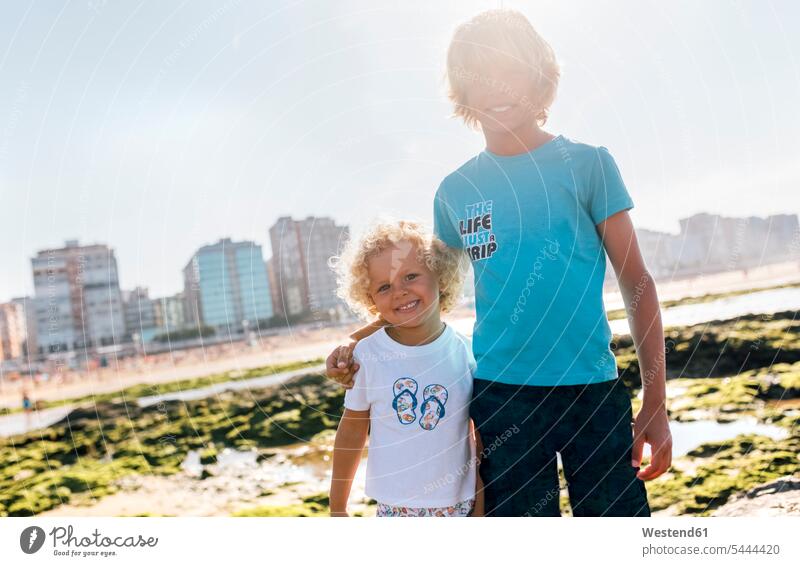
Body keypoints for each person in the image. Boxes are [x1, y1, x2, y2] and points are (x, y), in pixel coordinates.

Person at [327, 8, 672, 517]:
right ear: (463, 92)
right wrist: (354, 341)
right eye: (481, 76)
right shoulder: (455, 192)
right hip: (503, 398)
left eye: (511, 69)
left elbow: (636, 282)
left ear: (538, 77)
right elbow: (421, 295)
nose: (498, 87)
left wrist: (656, 403)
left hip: (593, 391)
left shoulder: (588, 165)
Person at [328, 220, 484, 517]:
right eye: (384, 286)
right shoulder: (367, 355)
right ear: (370, 299)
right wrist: (337, 507)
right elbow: (351, 432)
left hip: (461, 506)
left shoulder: (466, 354)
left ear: (440, 276)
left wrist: (481, 504)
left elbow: (479, 437)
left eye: (411, 276)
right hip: (394, 509)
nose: (399, 291)